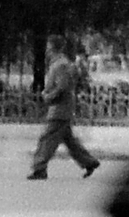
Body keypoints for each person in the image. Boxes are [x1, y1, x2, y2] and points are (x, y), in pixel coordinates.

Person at [27, 36, 99, 181]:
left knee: (46, 139)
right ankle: (89, 162)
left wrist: (49, 96)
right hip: (61, 108)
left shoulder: (60, 65)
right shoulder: (60, 63)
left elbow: (62, 86)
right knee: (69, 140)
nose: (46, 49)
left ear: (52, 47)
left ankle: (39, 168)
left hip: (60, 109)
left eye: (48, 46)